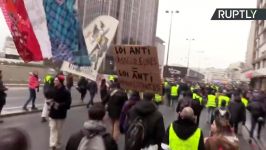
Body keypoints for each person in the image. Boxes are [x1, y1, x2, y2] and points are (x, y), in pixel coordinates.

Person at [49, 76, 71, 150]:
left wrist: (59, 104)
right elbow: (49, 98)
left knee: (59, 130)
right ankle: (53, 145)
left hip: (61, 114)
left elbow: (68, 104)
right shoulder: (52, 89)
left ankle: (58, 143)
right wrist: (50, 102)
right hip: (52, 113)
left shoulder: (66, 92)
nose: (54, 82)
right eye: (54, 80)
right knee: (52, 128)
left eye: (56, 80)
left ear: (60, 82)